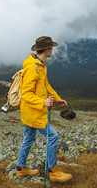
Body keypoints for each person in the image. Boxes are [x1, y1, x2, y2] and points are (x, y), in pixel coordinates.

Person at [16, 36, 73, 182]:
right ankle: (53, 171)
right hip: (34, 112)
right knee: (53, 137)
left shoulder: (40, 66)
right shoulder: (32, 68)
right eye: (51, 48)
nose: (52, 50)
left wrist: (57, 99)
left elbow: (46, 86)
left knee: (28, 138)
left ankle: (21, 169)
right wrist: (43, 102)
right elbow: (26, 94)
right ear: (46, 49)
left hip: (31, 112)